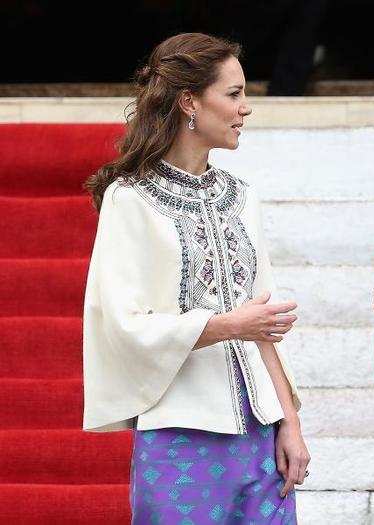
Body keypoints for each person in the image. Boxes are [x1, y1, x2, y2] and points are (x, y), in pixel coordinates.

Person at [82, 33, 309, 524]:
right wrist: (229, 325)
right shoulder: (130, 198)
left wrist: (290, 425)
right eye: (234, 94)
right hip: (178, 434)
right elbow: (124, 325)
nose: (245, 108)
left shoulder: (241, 196)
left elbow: (263, 324)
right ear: (189, 100)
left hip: (260, 434)